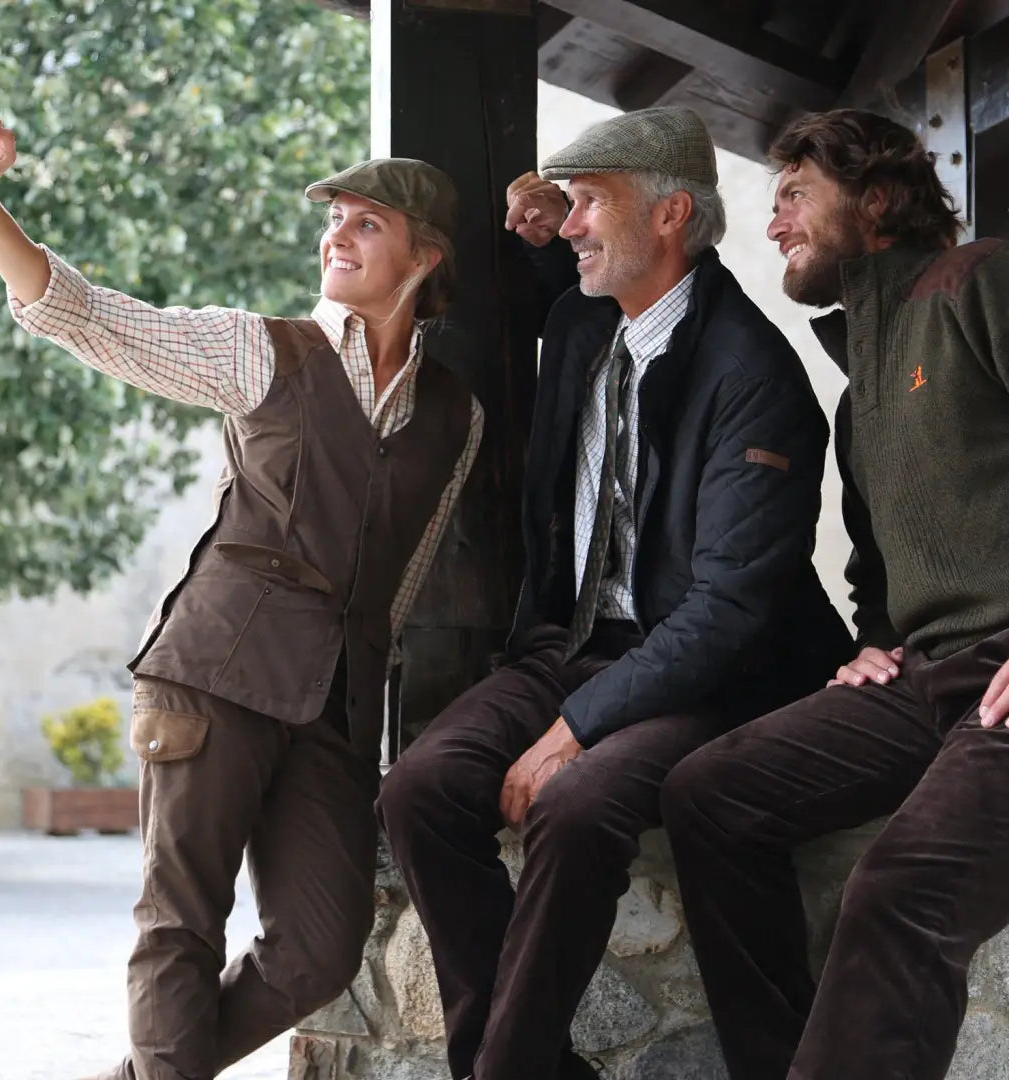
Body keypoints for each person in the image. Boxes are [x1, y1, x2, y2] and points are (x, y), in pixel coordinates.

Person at [0, 99, 482, 1080]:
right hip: (213, 673)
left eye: (369, 222)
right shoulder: (261, 350)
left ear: (427, 256)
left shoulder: (455, 414)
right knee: (179, 929)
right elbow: (91, 316)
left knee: (320, 948)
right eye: (335, 219)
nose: (338, 234)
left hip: (331, 708)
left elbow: (405, 584)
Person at [376, 106, 851, 1080]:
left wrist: (576, 726)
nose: (574, 222)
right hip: (569, 639)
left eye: (592, 204)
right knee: (419, 790)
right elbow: (571, 263)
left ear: (672, 214)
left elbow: (728, 614)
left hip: (707, 669)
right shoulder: (586, 320)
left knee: (580, 803)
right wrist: (546, 210)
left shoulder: (753, 375)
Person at [660, 107, 1009, 1080]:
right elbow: (877, 568)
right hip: (928, 680)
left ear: (880, 201)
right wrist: (872, 640)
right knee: (710, 793)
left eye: (795, 197)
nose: (772, 225)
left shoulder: (982, 282)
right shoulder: (861, 393)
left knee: (899, 893)